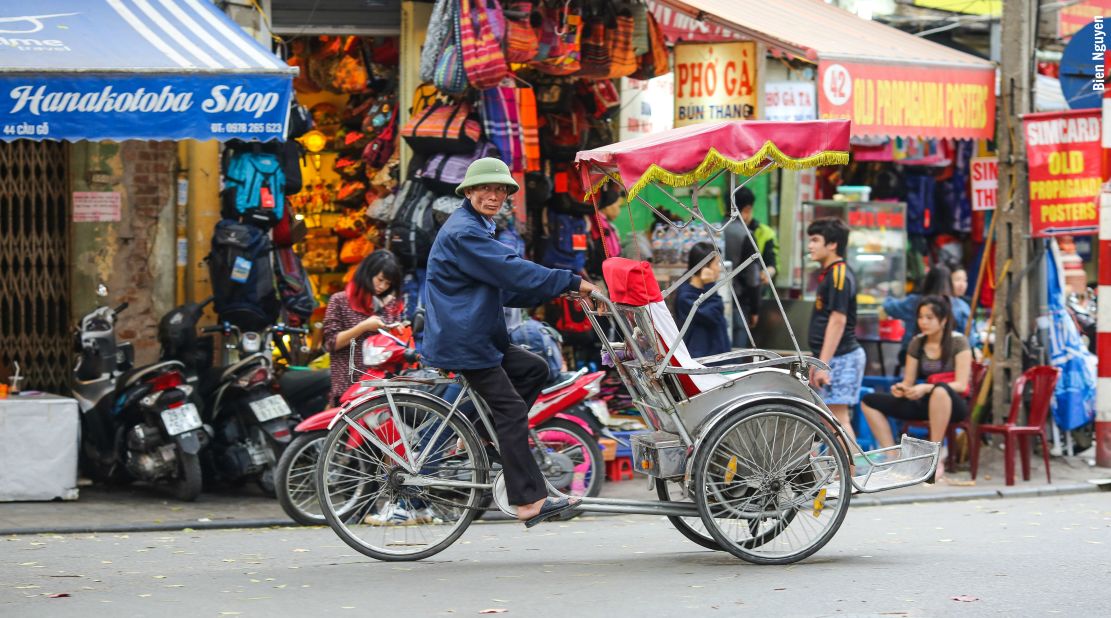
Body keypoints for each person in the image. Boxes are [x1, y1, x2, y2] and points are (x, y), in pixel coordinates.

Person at [423, 157, 597, 528]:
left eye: (500, 189)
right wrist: (569, 281)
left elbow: (499, 287)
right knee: (511, 410)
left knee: (534, 369)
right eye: (485, 188)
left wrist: (556, 292)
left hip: (477, 333)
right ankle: (529, 500)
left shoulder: (478, 227)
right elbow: (511, 270)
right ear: (468, 192)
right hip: (466, 340)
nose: (494, 195)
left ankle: (479, 436)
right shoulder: (465, 233)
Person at [859, 296, 972, 482]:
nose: (923, 322)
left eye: (929, 317)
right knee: (869, 401)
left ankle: (934, 456)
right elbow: (909, 381)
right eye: (921, 317)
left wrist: (927, 387)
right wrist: (901, 389)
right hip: (925, 401)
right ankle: (892, 456)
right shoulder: (917, 343)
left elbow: (961, 384)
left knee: (941, 391)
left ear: (943, 320)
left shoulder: (959, 342)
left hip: (954, 404)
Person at [806, 217, 865, 445]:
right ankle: (843, 475)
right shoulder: (830, 273)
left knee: (838, 418)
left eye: (815, 240)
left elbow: (837, 321)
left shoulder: (839, 274)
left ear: (832, 244)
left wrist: (825, 364)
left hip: (843, 357)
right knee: (831, 420)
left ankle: (848, 477)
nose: (810, 245)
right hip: (832, 356)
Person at [321, 250, 404, 406]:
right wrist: (363, 327)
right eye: (380, 280)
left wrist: (397, 331)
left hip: (381, 387)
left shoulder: (390, 304)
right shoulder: (340, 301)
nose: (382, 286)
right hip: (348, 386)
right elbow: (332, 343)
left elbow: (395, 348)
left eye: (387, 284)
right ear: (368, 273)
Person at [724, 186, 778, 347]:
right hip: (739, 304)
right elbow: (752, 277)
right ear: (747, 209)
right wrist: (755, 309)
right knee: (736, 359)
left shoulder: (714, 231)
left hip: (715, 302)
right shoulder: (746, 235)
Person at [673, 241, 731, 359]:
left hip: (719, 358)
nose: (719, 269)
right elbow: (713, 315)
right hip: (703, 363)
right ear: (704, 268)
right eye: (717, 264)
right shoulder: (686, 297)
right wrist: (710, 286)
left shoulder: (702, 289)